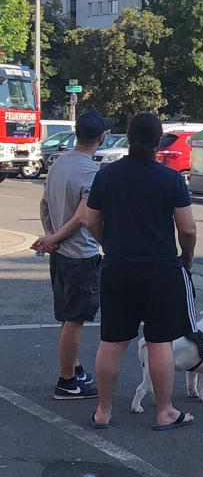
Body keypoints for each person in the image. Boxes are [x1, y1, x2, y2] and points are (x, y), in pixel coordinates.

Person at [84, 112, 198, 430]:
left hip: (118, 266)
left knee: (113, 341)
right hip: (160, 267)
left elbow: (90, 220)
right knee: (159, 341)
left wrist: (108, 243)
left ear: (129, 137)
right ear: (158, 140)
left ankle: (103, 411)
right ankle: (164, 411)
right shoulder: (171, 179)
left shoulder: (107, 176)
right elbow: (187, 229)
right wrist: (186, 258)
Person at [31, 108, 111, 399]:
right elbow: (83, 218)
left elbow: (43, 205)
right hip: (81, 255)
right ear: (101, 137)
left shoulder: (58, 163)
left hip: (60, 254)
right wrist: (55, 237)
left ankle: (74, 368)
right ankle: (67, 381)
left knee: (66, 316)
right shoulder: (90, 172)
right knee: (75, 319)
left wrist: (50, 237)